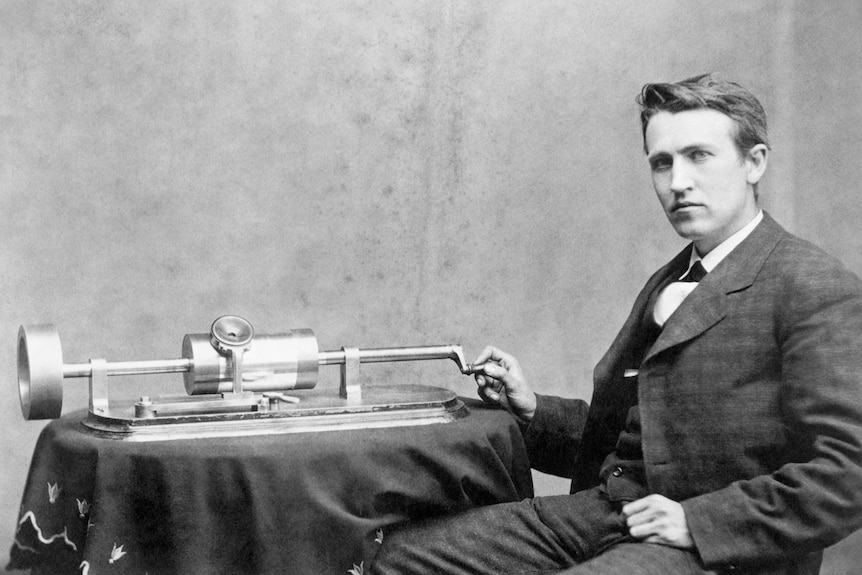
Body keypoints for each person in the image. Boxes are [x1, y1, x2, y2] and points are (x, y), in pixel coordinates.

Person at [370, 74, 862, 575]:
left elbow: (849, 473)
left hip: (720, 550)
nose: (678, 182)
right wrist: (534, 410)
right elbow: (641, 443)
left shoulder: (811, 286)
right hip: (611, 515)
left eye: (699, 156)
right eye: (662, 163)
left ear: (754, 163)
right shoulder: (670, 279)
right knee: (395, 558)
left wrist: (699, 521)